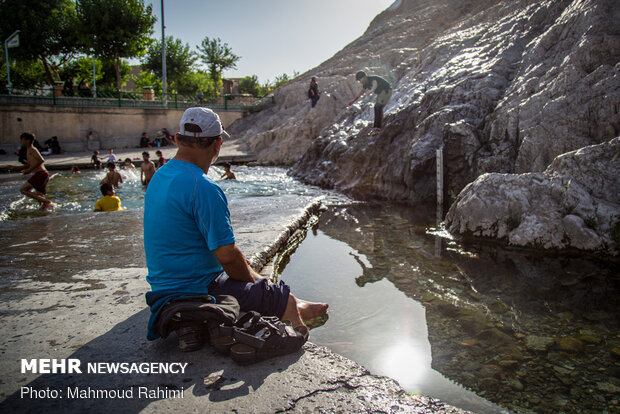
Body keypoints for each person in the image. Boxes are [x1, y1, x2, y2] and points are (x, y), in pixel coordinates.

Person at [143, 107, 328, 346]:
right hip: (195, 287)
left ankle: (284, 298)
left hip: (163, 284)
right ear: (218, 144)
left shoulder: (160, 175)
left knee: (251, 272)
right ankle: (294, 311)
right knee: (282, 300)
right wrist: (256, 285)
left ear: (177, 139)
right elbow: (228, 257)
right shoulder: (203, 187)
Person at [348, 70, 392, 135]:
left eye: (360, 79)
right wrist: (353, 100)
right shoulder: (365, 84)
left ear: (364, 77)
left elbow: (375, 84)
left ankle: (377, 128)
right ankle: (376, 127)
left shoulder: (372, 79)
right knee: (377, 107)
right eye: (359, 81)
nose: (360, 81)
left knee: (378, 107)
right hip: (381, 93)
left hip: (386, 91)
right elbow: (361, 92)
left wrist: (371, 90)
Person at [18, 132, 54, 210]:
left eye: (22, 140)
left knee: (23, 189)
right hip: (42, 174)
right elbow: (29, 164)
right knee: (39, 196)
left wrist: (29, 170)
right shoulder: (28, 150)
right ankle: (43, 209)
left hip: (41, 174)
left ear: (27, 140)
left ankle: (47, 202)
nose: (21, 142)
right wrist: (13, 167)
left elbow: (41, 160)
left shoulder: (32, 149)